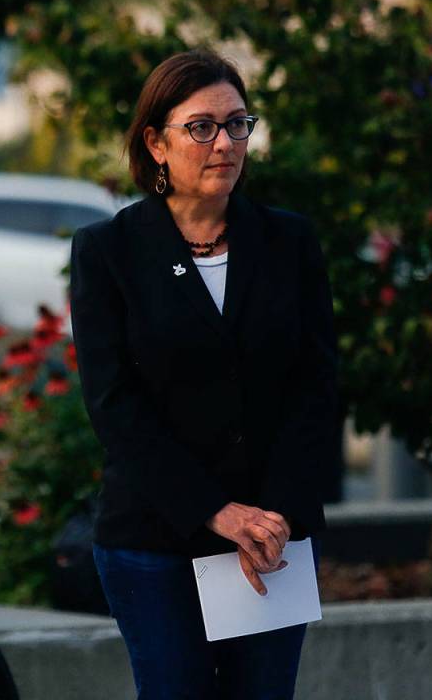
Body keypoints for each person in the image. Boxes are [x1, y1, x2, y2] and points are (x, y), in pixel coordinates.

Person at [69, 49, 338, 699]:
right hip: (155, 535)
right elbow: (115, 406)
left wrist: (270, 517)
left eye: (238, 124)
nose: (225, 142)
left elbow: (317, 385)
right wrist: (218, 513)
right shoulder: (109, 252)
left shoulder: (288, 242)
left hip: (274, 534)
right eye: (202, 127)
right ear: (156, 144)